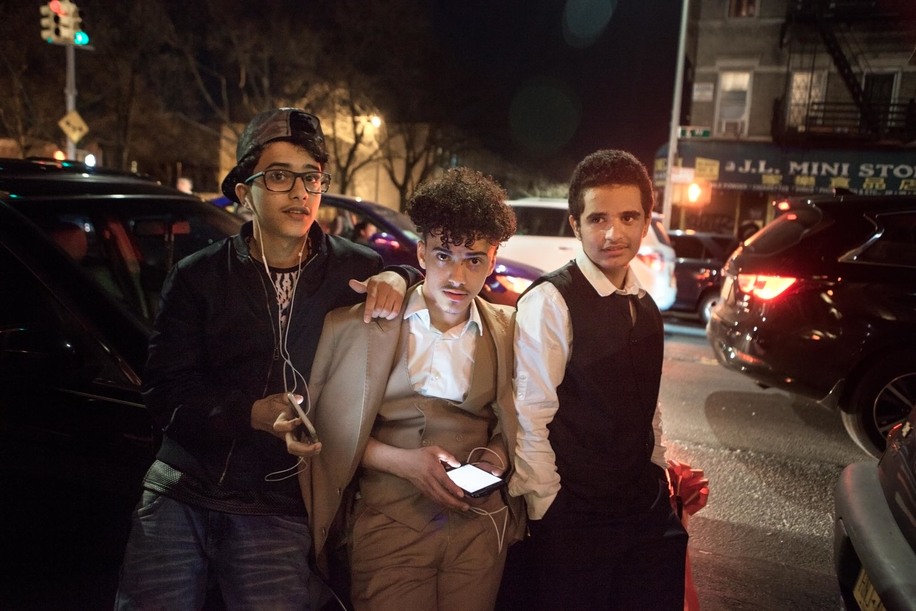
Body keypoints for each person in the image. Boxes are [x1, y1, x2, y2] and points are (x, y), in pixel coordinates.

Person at [115, 107, 419, 610]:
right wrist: (250, 413)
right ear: (244, 193)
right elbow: (164, 392)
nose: (300, 192)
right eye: (279, 176)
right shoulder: (198, 275)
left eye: (311, 178)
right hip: (183, 486)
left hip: (279, 501)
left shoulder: (353, 266)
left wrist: (400, 277)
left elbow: (423, 281)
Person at [280, 167, 526, 610]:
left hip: (480, 528)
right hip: (389, 525)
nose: (458, 276)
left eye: (474, 260)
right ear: (421, 253)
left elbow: (518, 419)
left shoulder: (510, 329)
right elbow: (322, 429)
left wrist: (495, 457)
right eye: (444, 255)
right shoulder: (354, 326)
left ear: (492, 261)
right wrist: (404, 463)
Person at [506, 149, 688, 609]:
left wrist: (658, 471)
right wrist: (549, 507)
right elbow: (529, 416)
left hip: (641, 507)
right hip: (576, 516)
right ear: (576, 225)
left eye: (628, 217)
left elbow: (648, 405)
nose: (613, 233)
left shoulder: (644, 302)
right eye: (598, 219)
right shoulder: (551, 301)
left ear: (645, 222)